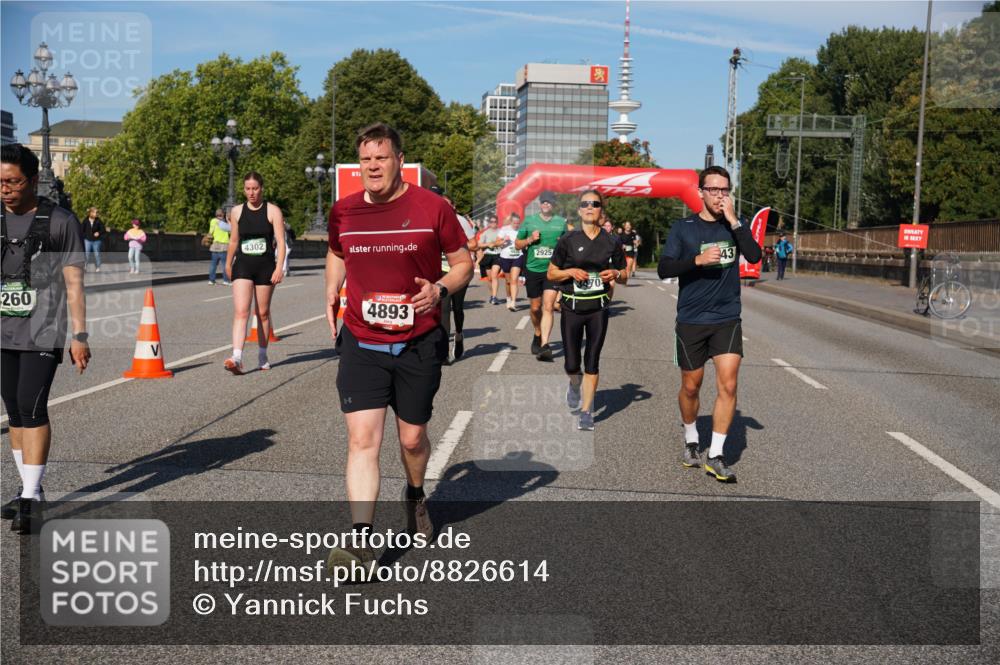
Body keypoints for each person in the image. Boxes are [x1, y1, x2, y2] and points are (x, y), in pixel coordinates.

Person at [324, 123, 472, 574]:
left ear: (399, 160)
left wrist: (441, 290)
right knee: (362, 440)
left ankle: (414, 493)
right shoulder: (344, 211)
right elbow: (336, 252)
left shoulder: (433, 207)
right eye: (366, 159)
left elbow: (464, 263)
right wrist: (332, 289)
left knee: (411, 438)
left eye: (381, 158)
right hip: (362, 340)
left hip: (418, 342)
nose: (372, 166)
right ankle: (360, 541)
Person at [1, 143, 89, 534]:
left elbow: (74, 284)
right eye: (0, 182)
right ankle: (27, 491)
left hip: (43, 331)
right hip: (3, 331)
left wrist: (80, 335)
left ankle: (33, 497)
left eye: (13, 181)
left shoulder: (60, 221)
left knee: (31, 407)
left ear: (34, 180)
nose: (5, 188)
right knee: (14, 413)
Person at [657, 165, 762, 482]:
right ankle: (691, 439)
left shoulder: (735, 226)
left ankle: (715, 454)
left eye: (725, 190)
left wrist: (734, 222)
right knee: (691, 386)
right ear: (700, 192)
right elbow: (664, 268)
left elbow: (755, 256)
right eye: (714, 190)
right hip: (691, 318)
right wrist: (697, 262)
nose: (720, 196)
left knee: (728, 384)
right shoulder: (684, 228)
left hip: (727, 317)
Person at [547, 190, 626, 431]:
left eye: (595, 204)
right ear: (580, 210)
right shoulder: (568, 240)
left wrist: (615, 273)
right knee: (572, 363)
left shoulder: (612, 241)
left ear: (601, 210)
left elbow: (624, 276)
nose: (590, 207)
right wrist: (570, 272)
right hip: (571, 307)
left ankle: (586, 411)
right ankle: (573, 384)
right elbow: (551, 273)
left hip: (598, 309)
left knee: (592, 360)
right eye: (585, 204)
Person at [223, 172, 286, 374]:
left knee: (262, 313)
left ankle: (262, 354)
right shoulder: (237, 212)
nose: (251, 193)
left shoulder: (273, 211)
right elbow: (234, 240)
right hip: (243, 264)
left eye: (255, 188)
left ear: (261, 188)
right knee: (241, 311)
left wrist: (279, 267)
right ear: (244, 189)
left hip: (265, 266)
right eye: (248, 189)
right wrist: (227, 262)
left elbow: (281, 242)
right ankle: (237, 356)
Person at [516, 190, 566, 361]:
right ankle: (537, 333)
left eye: (549, 202)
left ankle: (545, 345)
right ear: (540, 204)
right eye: (544, 201)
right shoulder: (529, 221)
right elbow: (517, 245)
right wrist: (529, 239)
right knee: (535, 308)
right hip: (532, 269)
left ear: (554, 205)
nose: (546, 204)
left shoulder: (561, 223)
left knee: (548, 306)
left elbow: (568, 246)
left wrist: (563, 245)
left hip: (551, 271)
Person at [435, 188, 477, 363]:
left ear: (453, 206)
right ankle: (444, 352)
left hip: (459, 269)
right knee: (444, 309)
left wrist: (454, 246)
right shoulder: (433, 219)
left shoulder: (460, 220)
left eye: (447, 204)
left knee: (457, 308)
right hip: (442, 271)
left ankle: (458, 334)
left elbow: (474, 244)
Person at [496, 212, 523, 311]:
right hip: (505, 257)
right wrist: (504, 240)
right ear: (511, 222)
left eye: (518, 223)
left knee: (514, 279)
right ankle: (508, 298)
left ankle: (513, 303)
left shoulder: (522, 230)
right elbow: (496, 242)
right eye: (515, 223)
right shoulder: (504, 230)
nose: (516, 225)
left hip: (518, 256)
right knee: (508, 281)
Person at [477, 216, 504, 304]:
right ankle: (492, 295)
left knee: (494, 275)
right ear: (489, 223)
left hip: (498, 255)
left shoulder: (501, 232)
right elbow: (479, 245)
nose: (493, 223)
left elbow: (503, 242)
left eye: (495, 221)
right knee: (489, 279)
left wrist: (496, 244)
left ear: (497, 222)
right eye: (491, 222)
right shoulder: (485, 233)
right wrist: (488, 244)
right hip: (488, 256)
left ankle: (494, 297)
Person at [207, 207, 231, 285]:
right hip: (224, 246)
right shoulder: (223, 224)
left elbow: (211, 232)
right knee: (225, 265)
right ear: (223, 214)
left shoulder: (213, 221)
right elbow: (231, 230)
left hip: (214, 246)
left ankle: (211, 280)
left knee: (213, 264)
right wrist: (228, 220)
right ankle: (226, 280)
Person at [82, 207, 104, 273]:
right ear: (91, 213)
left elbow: (103, 229)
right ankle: (85, 267)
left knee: (97, 254)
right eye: (95, 212)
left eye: (97, 212)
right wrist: (85, 236)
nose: (96, 214)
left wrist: (99, 233)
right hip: (87, 240)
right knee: (87, 254)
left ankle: (98, 267)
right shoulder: (85, 220)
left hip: (96, 241)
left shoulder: (98, 221)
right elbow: (82, 230)